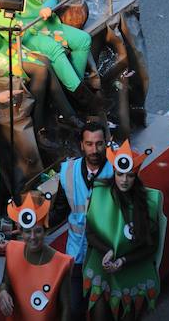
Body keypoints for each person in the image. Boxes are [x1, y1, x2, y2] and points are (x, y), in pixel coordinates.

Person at [83, 140, 165, 320]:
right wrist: (108, 251)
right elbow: (89, 233)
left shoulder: (149, 203)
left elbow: (151, 246)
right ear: (114, 172)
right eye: (120, 174)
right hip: (103, 262)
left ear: (136, 176)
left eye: (130, 175)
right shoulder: (99, 193)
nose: (124, 180)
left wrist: (123, 260)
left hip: (132, 266)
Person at [59, 122, 114, 321]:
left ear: (106, 144)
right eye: (89, 144)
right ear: (81, 145)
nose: (94, 149)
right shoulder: (67, 171)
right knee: (75, 310)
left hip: (104, 254)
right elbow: (59, 210)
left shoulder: (117, 172)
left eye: (99, 144)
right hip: (76, 254)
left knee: (103, 312)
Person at [0, 191, 73, 321]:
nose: (33, 237)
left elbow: (66, 308)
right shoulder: (12, 250)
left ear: (45, 231)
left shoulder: (61, 264)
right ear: (21, 231)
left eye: (38, 231)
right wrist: (3, 292)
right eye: (28, 231)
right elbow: (6, 282)